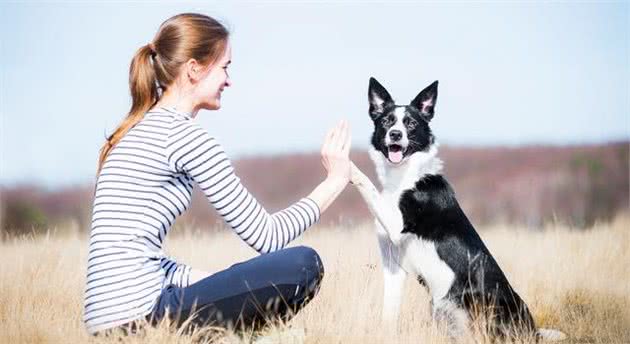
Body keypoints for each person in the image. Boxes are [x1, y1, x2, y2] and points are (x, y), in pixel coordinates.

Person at [83, 13, 352, 335]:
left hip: (106, 322)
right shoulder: (183, 136)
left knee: (243, 285)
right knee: (302, 264)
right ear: (194, 68)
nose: (228, 80)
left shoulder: (136, 130)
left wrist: (219, 283)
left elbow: (141, 256)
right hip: (140, 316)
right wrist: (336, 180)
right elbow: (268, 237)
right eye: (225, 66)